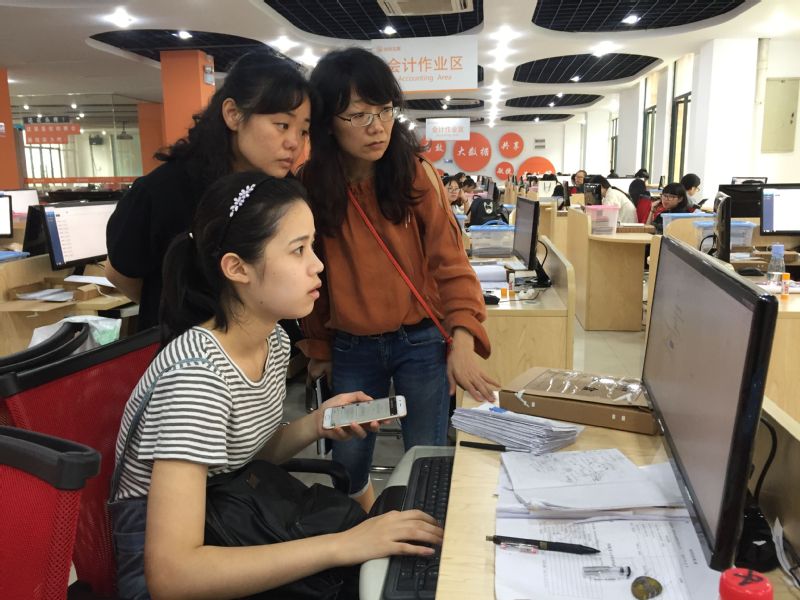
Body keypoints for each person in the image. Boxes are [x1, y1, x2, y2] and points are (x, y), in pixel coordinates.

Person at [110, 172, 443, 600]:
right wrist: (342, 546)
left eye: (313, 246)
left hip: (229, 521)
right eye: (298, 249)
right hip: (177, 572)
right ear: (237, 268)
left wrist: (316, 424)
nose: (317, 264)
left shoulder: (275, 341)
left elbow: (238, 459)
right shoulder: (196, 379)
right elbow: (172, 577)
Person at [300, 47, 497, 510]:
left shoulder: (414, 174)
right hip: (353, 347)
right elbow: (314, 279)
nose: (378, 127)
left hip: (421, 343)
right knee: (347, 464)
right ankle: (365, 536)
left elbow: (452, 264)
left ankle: (421, 539)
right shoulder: (311, 185)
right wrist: (320, 349)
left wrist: (462, 342)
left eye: (385, 110)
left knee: (426, 457)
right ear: (328, 122)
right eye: (359, 115)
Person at [105, 49, 312, 331]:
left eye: (303, 131)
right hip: (186, 346)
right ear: (233, 114)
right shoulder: (163, 190)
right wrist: (178, 307)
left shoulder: (284, 194)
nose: (294, 143)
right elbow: (121, 273)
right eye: (282, 125)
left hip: (264, 346)